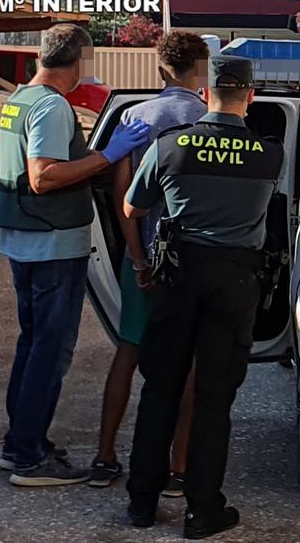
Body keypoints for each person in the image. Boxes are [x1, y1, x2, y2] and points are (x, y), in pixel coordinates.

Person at [124, 55, 283, 539]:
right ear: (250, 96)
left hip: (177, 276)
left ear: (204, 94)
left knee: (160, 391)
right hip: (235, 282)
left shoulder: (171, 146)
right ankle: (203, 510)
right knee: (213, 400)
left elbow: (133, 205)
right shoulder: (269, 153)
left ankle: (141, 505)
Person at [0, 23, 150, 486]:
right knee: (50, 350)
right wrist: (109, 156)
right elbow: (43, 176)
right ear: (78, 61)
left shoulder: (18, 99)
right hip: (52, 244)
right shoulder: (51, 107)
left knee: (32, 345)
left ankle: (22, 444)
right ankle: (27, 457)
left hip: (23, 241)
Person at [90, 31, 211, 493]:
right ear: (201, 72)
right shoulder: (213, 119)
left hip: (146, 258)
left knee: (129, 350)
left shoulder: (134, 119)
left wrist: (138, 258)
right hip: (196, 262)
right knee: (190, 362)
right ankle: (179, 469)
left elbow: (123, 200)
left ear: (162, 70)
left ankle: (104, 456)